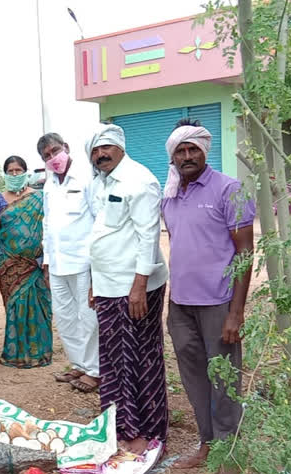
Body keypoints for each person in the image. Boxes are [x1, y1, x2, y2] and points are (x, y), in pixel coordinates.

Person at [161, 120, 255, 474]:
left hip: (218, 303)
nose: (186, 156)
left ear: (205, 150)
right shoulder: (170, 195)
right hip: (181, 304)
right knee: (194, 377)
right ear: (173, 156)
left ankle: (230, 452)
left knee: (225, 377)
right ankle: (207, 443)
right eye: (180, 151)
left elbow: (245, 252)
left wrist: (236, 311)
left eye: (193, 149)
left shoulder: (228, 189)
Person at [86, 124, 169, 456]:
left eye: (106, 148)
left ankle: (147, 431)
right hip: (108, 284)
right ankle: (120, 425)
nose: (101, 155)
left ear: (121, 148)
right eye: (95, 150)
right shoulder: (100, 183)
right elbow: (100, 234)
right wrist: (94, 281)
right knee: (113, 359)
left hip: (134, 286)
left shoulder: (140, 180)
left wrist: (139, 286)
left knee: (140, 358)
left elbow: (149, 235)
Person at [36, 133, 100, 392]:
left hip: (84, 261)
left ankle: (95, 371)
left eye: (55, 151)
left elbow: (98, 220)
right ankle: (78, 364)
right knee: (64, 317)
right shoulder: (50, 183)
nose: (53, 158)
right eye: (46, 156)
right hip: (58, 262)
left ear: (67, 148)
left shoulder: (88, 177)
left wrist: (98, 264)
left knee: (88, 317)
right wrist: (47, 262)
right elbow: (47, 223)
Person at [0, 156, 52, 368]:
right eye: (10, 171)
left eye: (18, 170)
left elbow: (49, 228)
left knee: (39, 305)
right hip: (8, 263)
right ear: (5, 173)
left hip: (35, 263)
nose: (14, 174)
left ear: (25, 172)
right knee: (14, 305)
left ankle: (40, 352)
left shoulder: (40, 197)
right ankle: (15, 352)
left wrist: (48, 258)